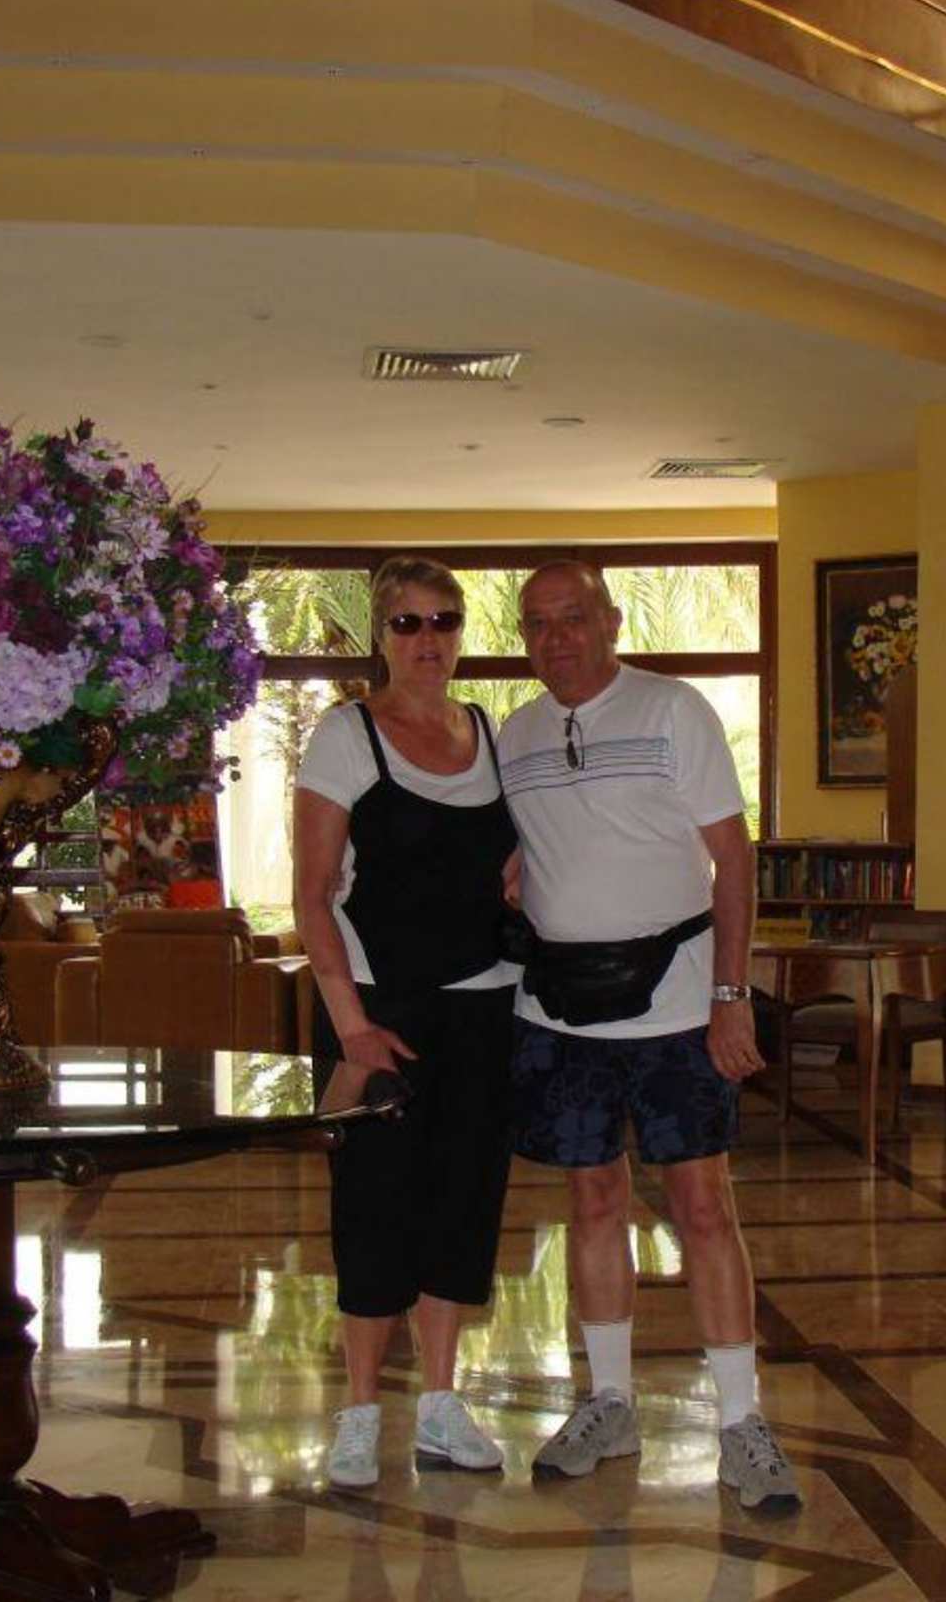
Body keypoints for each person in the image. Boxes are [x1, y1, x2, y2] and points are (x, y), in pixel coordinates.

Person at [496, 560, 802, 1512]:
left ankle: (742, 1422)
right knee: (592, 1201)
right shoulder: (515, 735)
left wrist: (730, 994)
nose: (556, 638)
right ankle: (610, 1403)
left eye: (573, 617)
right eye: (537, 623)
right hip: (558, 1011)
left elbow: (733, 860)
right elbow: (526, 849)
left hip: (677, 1007)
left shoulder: (674, 710)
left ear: (612, 621)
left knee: (703, 1205)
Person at [292, 555, 519, 1490]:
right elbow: (312, 896)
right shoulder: (346, 736)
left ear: (462, 632)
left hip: (485, 1006)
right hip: (378, 1010)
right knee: (374, 1204)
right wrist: (351, 1029)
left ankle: (439, 1405)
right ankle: (357, 1413)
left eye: (444, 621)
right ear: (381, 635)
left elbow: (508, 865)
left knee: (463, 1201)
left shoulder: (488, 733)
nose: (428, 639)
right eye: (408, 623)